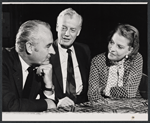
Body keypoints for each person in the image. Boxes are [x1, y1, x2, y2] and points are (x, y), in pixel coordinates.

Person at [2, 20, 56, 112]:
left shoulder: (36, 66)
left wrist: (48, 85)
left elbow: (37, 107)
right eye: (48, 46)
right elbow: (10, 106)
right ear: (29, 47)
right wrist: (48, 103)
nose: (53, 52)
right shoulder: (3, 60)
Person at [88, 24, 143, 103]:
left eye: (119, 47)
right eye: (111, 42)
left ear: (130, 50)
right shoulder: (97, 61)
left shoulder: (136, 58)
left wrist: (104, 90)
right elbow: (92, 95)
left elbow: (130, 93)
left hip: (131, 105)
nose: (112, 49)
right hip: (103, 106)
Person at [51, 8, 91, 107]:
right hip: (58, 107)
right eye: (63, 28)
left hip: (82, 106)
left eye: (72, 30)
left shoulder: (84, 50)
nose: (67, 34)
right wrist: (57, 101)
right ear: (57, 27)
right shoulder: (47, 50)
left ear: (78, 31)